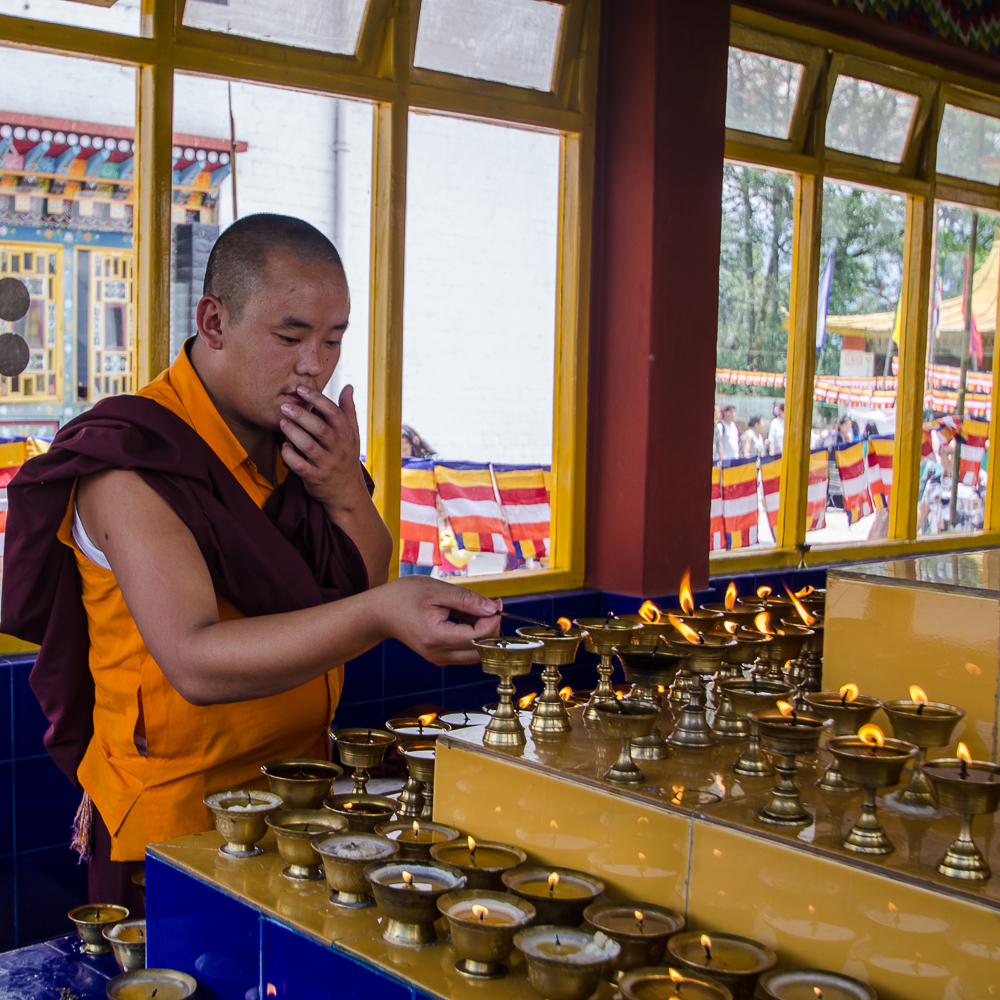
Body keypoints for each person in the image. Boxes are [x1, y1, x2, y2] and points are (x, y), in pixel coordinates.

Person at [0, 214, 500, 912]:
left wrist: (342, 489)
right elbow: (196, 662)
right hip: (179, 830)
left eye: (333, 340)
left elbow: (365, 569)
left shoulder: (293, 442)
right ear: (213, 321)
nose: (315, 366)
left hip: (304, 797)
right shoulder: (133, 460)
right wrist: (382, 614)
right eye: (290, 337)